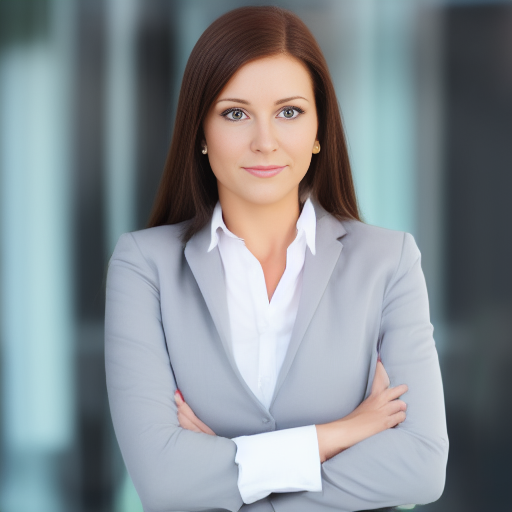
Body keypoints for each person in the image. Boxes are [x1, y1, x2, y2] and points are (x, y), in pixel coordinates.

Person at [104, 6, 448, 512]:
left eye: (289, 112)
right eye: (235, 113)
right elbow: (163, 482)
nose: (265, 142)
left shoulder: (389, 261)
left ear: (318, 130)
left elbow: (419, 469)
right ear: (200, 131)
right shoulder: (143, 267)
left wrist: (229, 471)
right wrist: (342, 433)